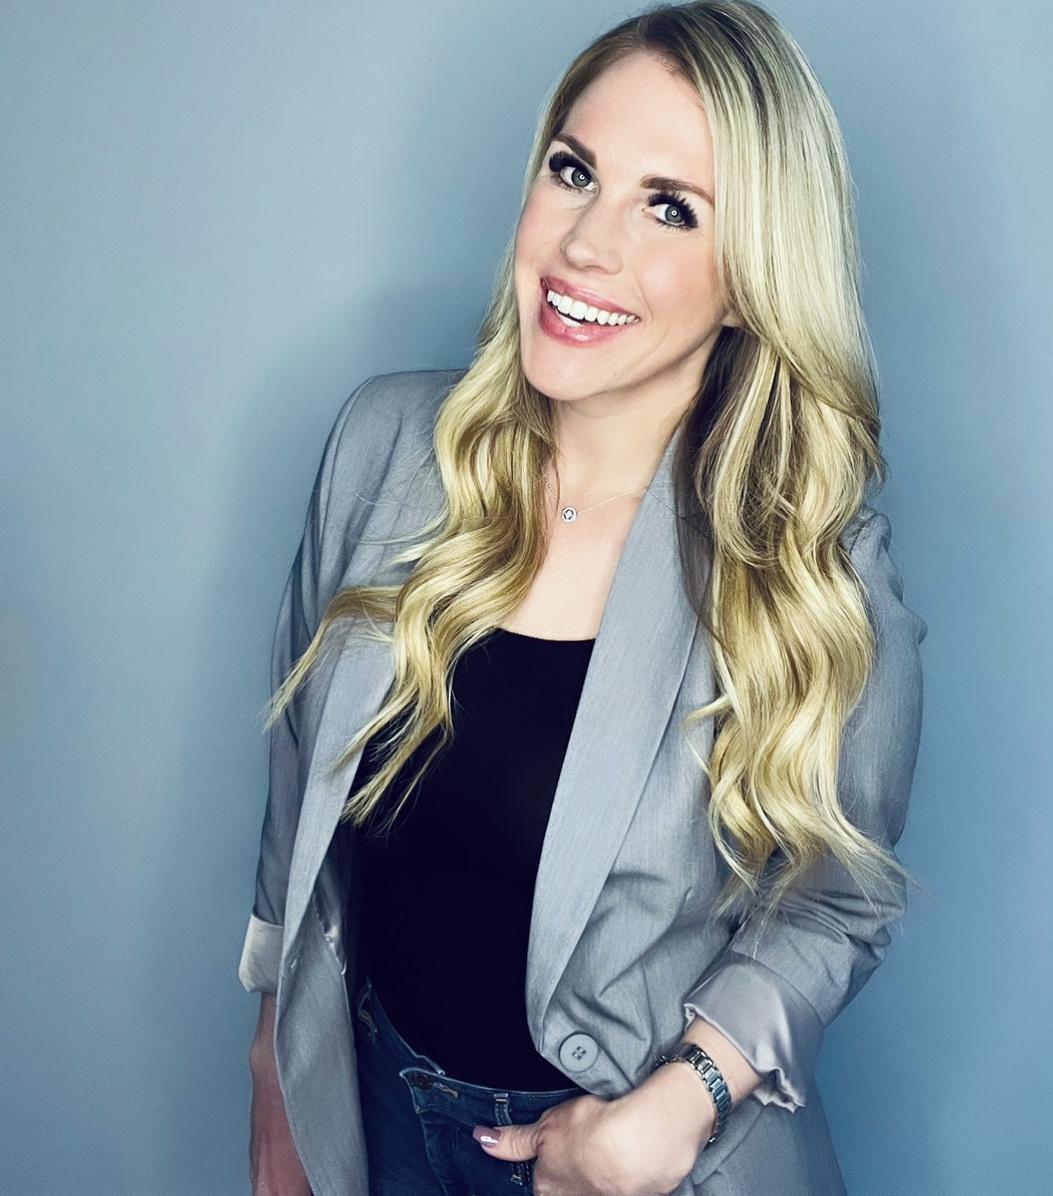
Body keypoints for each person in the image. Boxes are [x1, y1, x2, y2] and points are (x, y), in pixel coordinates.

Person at [240, 2, 928, 1193]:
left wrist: (683, 1099)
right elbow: (299, 786)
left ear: (750, 282)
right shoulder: (384, 445)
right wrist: (274, 1064)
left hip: (630, 1164)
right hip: (376, 1107)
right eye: (574, 170)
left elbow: (839, 904)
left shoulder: (810, 565)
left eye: (671, 207)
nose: (586, 245)